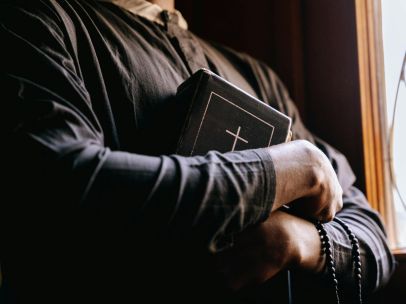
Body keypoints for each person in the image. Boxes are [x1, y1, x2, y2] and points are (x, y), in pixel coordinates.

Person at [0, 0, 395, 303]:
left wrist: (297, 243)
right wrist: (282, 172)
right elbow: (63, 185)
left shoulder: (256, 75)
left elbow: (371, 234)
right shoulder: (33, 22)